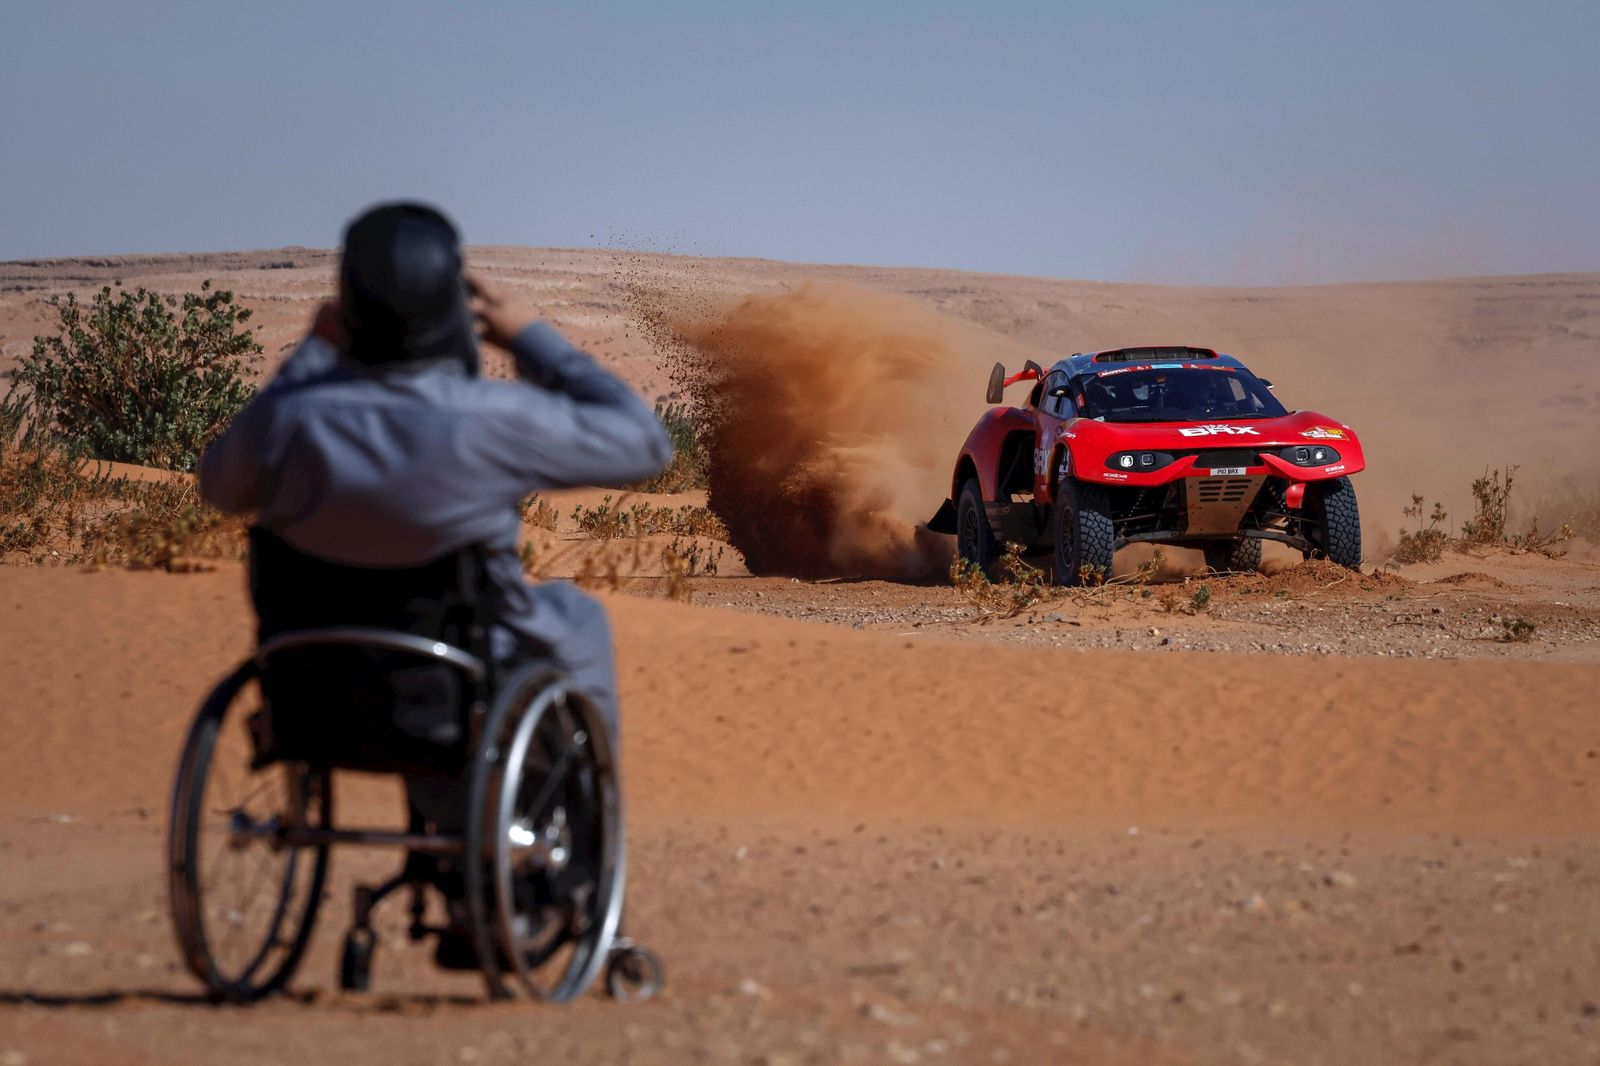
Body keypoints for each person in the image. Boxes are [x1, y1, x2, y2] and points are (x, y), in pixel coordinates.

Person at [200, 200, 672, 754]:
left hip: (311, 672)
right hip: (456, 672)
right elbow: (644, 443)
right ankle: (586, 823)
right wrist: (530, 338)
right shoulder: (490, 419)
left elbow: (219, 489)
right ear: (449, 307)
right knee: (581, 618)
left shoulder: (289, 419)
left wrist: (308, 355)